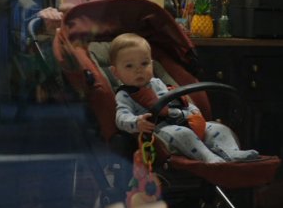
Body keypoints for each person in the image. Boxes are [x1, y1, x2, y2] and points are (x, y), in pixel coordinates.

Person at [109, 33, 257, 163]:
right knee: (183, 133)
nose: (138, 69)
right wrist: (137, 122)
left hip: (187, 122)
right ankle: (209, 158)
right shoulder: (125, 95)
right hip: (160, 133)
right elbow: (120, 117)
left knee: (219, 129)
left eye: (144, 63)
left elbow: (180, 101)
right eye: (129, 66)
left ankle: (232, 153)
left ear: (152, 64)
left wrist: (192, 111)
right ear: (115, 73)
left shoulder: (159, 83)